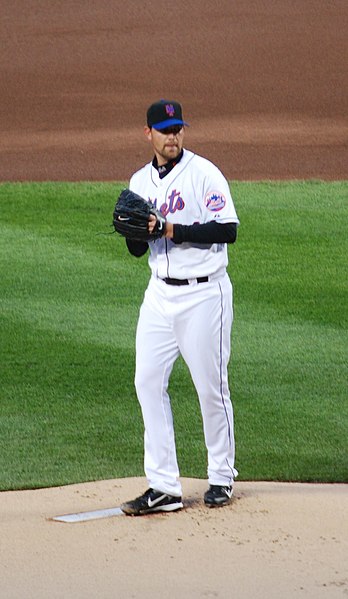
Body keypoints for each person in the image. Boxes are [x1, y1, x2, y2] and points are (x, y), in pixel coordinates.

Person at [120, 99, 239, 516]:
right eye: (165, 130)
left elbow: (228, 229)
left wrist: (169, 227)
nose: (173, 137)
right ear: (148, 133)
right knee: (147, 381)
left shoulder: (204, 173)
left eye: (178, 129)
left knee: (210, 386)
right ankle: (164, 486)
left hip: (205, 295)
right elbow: (138, 249)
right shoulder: (139, 181)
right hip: (159, 295)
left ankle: (221, 475)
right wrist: (135, 232)